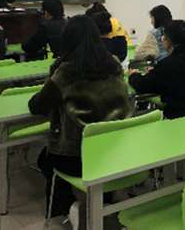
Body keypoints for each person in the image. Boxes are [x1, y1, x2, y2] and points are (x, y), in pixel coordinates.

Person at [28, 15, 131, 221]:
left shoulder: (66, 71)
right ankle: (101, 200)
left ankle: (65, 208)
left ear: (67, 40)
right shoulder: (113, 64)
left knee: (45, 160)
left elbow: (38, 106)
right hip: (114, 151)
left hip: (76, 155)